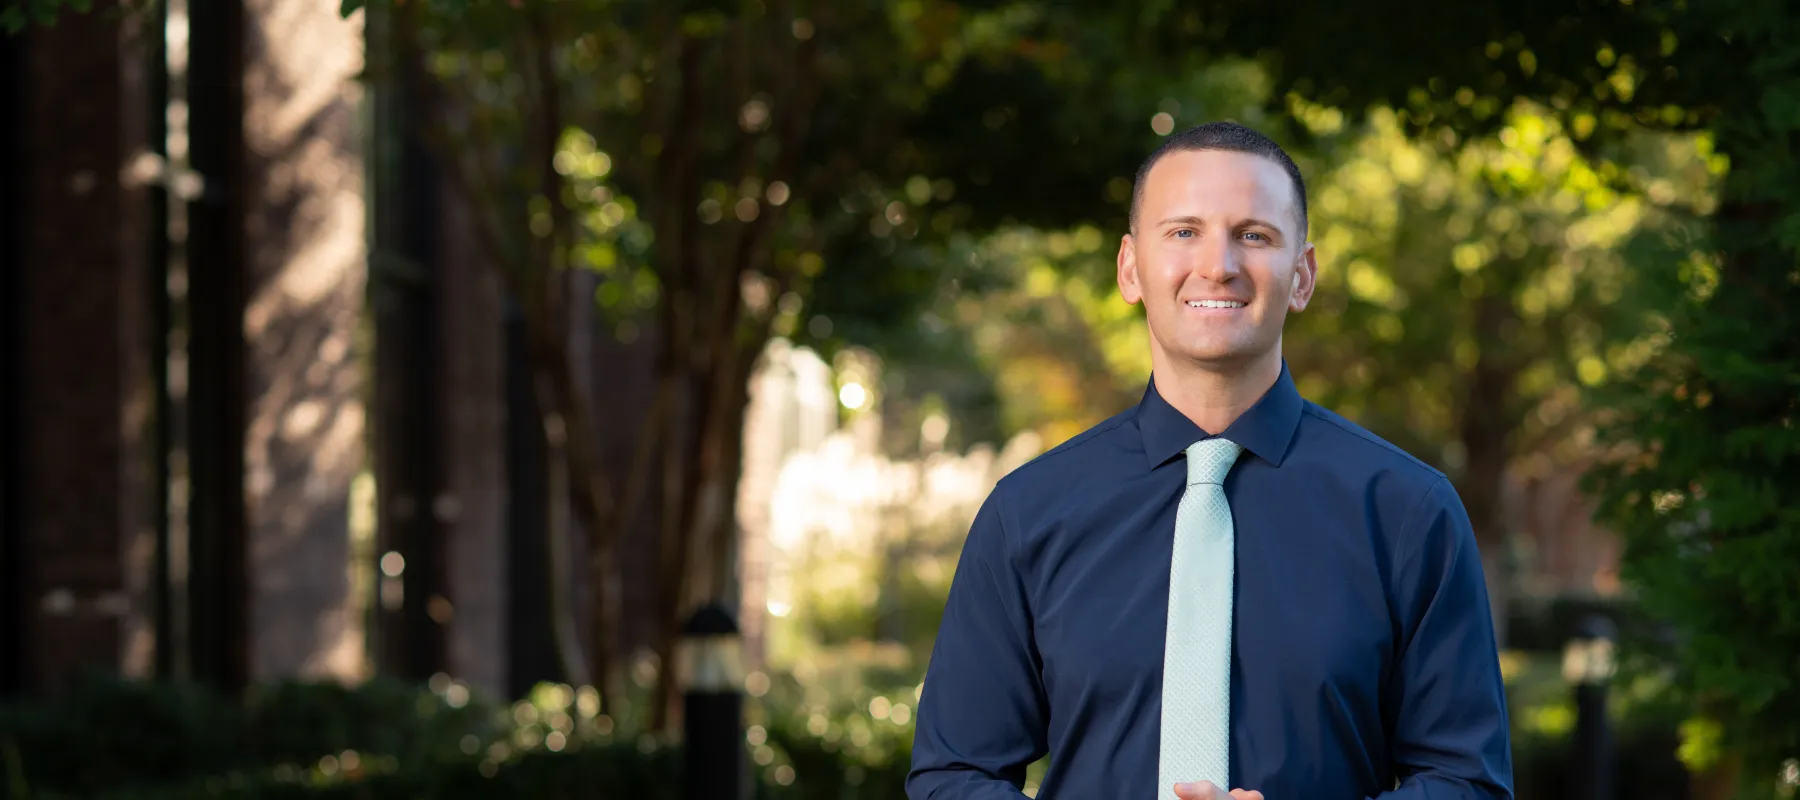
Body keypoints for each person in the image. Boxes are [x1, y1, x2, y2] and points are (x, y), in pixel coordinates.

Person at [905, 122, 1513, 800]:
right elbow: (954, 777)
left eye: (1253, 234)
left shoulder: (1407, 511)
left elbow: (1466, 782)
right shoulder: (1027, 513)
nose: (1218, 264)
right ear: (1131, 268)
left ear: (1303, 275)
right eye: (1184, 232)